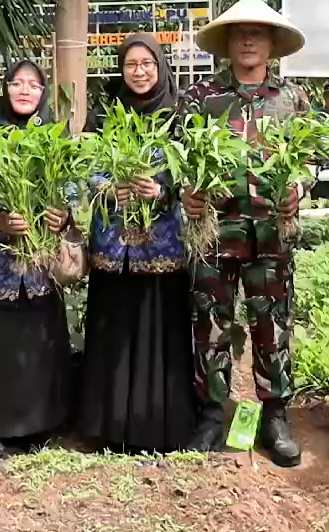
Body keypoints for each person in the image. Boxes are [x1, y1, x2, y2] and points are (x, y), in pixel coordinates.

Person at [178, 0, 312, 467]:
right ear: (228, 43)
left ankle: (275, 416)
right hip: (215, 235)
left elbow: (309, 161)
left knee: (272, 326)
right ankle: (211, 414)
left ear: (273, 44)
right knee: (210, 327)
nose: (249, 39)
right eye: (240, 32)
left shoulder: (294, 100)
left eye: (257, 32)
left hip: (271, 238)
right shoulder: (200, 98)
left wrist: (299, 187)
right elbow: (177, 161)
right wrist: (186, 193)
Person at [0, 59, 78, 466]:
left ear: (43, 94)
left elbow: (71, 187)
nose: (25, 91)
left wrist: (62, 215)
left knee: (35, 344)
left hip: (37, 265)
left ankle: (38, 425)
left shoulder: (53, 138)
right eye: (17, 84)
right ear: (6, 89)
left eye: (34, 85)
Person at [78, 33, 195, 452]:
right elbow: (85, 167)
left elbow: (194, 171)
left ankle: (157, 428)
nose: (140, 71)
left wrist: (161, 191)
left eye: (147, 63)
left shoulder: (180, 114)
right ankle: (110, 427)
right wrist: (107, 188)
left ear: (160, 66)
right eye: (131, 64)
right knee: (115, 327)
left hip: (162, 246)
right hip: (114, 247)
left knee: (158, 328)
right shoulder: (106, 113)